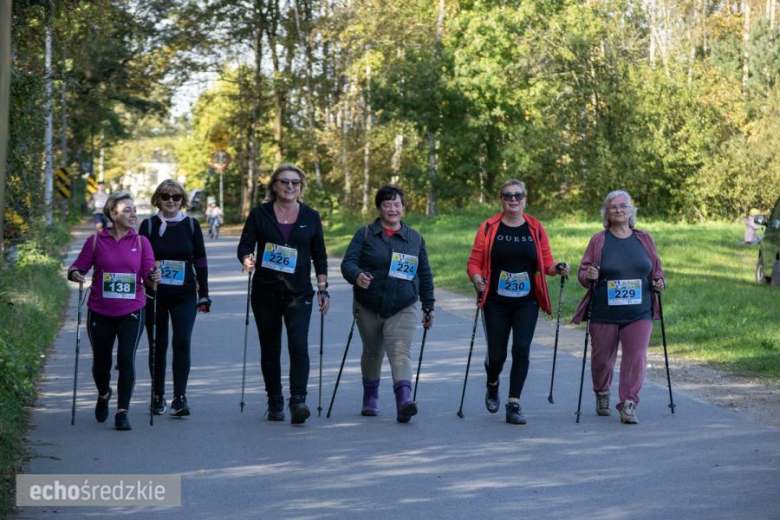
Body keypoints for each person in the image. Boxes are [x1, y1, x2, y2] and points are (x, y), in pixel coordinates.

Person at [466, 180, 569, 425]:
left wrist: (559, 268)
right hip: (495, 301)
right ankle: (493, 384)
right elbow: (474, 262)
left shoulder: (535, 227)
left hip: (526, 302)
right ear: (500, 199)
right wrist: (477, 278)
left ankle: (514, 403)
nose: (513, 199)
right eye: (507, 195)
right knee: (497, 355)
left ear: (525, 199)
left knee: (521, 349)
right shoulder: (489, 227)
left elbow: (546, 264)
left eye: (518, 195)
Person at [237, 164, 329, 425]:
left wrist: (323, 287)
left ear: (301, 187)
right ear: (274, 185)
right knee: (270, 347)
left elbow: (319, 254)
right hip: (265, 290)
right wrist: (246, 258)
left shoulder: (311, 216)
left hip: (299, 292)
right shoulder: (259, 214)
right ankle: (274, 399)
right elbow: (245, 244)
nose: (290, 187)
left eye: (295, 183)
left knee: (298, 345)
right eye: (284, 182)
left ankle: (298, 400)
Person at [341, 185, 435, 423]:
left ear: (403, 207)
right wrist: (357, 275)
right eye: (387, 204)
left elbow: (424, 272)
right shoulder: (365, 234)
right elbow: (348, 263)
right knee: (373, 352)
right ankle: (370, 398)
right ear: (379, 208)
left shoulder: (415, 238)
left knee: (400, 350)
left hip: (404, 303)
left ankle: (404, 401)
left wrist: (428, 304)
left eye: (397, 204)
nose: (392, 209)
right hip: (369, 304)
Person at [67, 192, 160, 430]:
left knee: (126, 358)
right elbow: (79, 266)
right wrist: (75, 273)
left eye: (135, 210)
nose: (133, 214)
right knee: (101, 362)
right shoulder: (96, 241)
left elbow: (149, 276)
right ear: (113, 214)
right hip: (100, 309)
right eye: (127, 210)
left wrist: (153, 277)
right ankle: (103, 393)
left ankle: (122, 411)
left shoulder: (141, 242)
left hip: (132, 309)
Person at [572, 190, 665, 425]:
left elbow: (656, 268)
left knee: (636, 358)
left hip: (640, 310)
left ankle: (629, 403)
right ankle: (601, 392)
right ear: (607, 213)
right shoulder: (599, 240)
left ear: (631, 210)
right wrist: (589, 275)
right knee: (603, 359)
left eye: (623, 206)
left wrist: (659, 281)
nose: (619, 210)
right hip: (605, 310)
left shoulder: (644, 238)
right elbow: (583, 274)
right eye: (613, 207)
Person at [139, 180, 210, 418]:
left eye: (176, 197)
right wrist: (147, 276)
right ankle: (157, 396)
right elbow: (138, 260)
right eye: (166, 196)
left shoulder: (190, 225)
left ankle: (180, 397)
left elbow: (200, 260)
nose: (171, 201)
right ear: (157, 198)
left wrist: (205, 295)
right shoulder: (148, 225)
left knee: (182, 343)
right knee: (158, 345)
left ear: (183, 201)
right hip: (154, 294)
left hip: (184, 294)